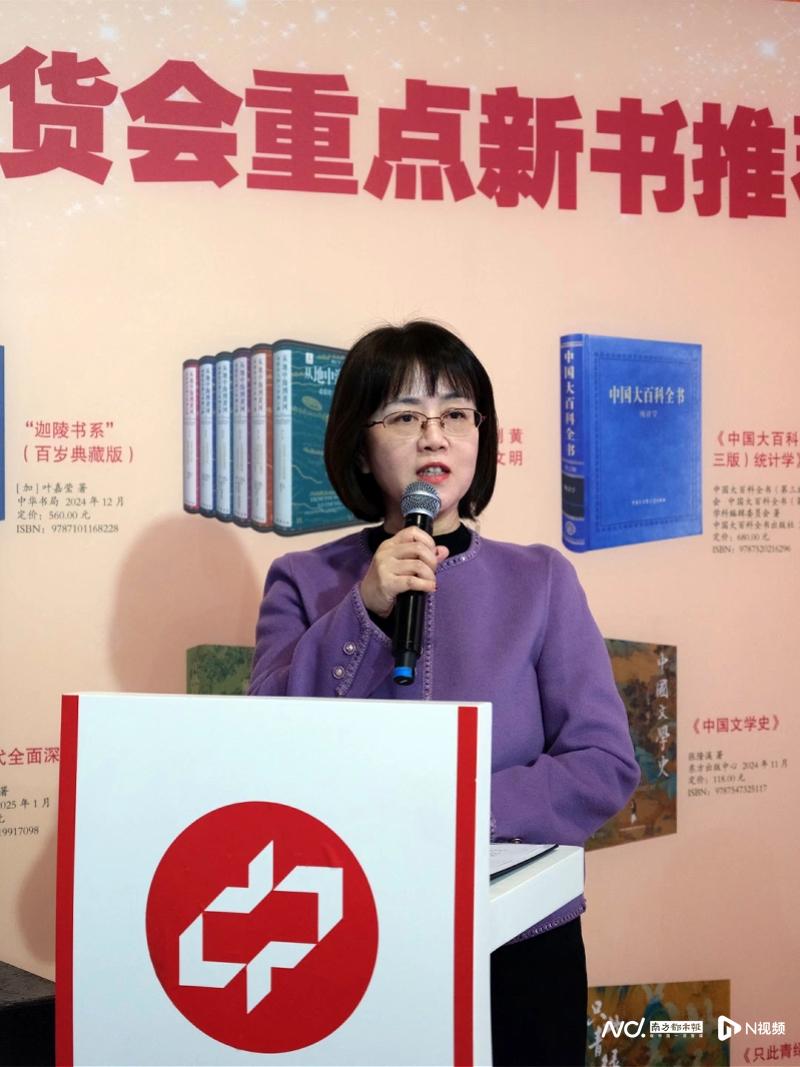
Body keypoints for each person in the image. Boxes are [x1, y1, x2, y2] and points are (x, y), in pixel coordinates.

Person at [248, 320, 640, 1066]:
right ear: (360, 445)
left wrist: (457, 812)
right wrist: (364, 608)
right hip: (344, 928)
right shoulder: (303, 582)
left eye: (456, 413)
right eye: (404, 416)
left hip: (517, 934)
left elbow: (602, 765)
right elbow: (264, 744)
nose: (435, 435)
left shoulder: (541, 579)